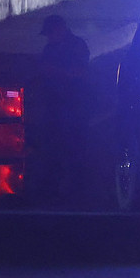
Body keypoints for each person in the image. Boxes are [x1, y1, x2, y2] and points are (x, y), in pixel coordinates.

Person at [27, 14, 91, 204]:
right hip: (54, 106)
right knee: (53, 147)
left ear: (60, 29)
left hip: (74, 105)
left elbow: (79, 73)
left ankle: (74, 188)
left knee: (73, 148)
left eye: (51, 33)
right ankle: (54, 186)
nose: (49, 37)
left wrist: (58, 73)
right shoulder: (51, 48)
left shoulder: (77, 46)